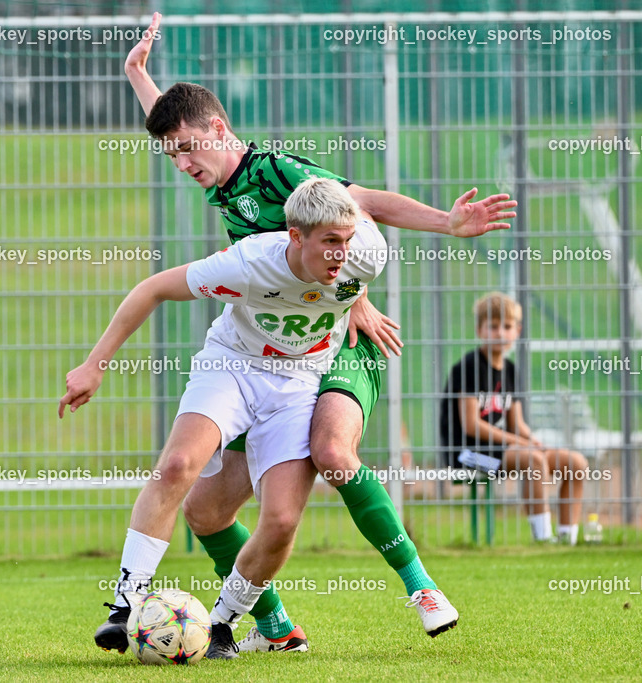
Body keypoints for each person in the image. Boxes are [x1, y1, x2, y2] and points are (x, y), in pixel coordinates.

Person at [100, 12, 516, 653]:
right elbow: (183, 126)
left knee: (333, 456)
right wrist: (138, 75)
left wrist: (425, 240)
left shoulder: (275, 172)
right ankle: (271, 627)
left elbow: (359, 206)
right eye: (171, 153)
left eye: (187, 150)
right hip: (263, 348)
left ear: (220, 133)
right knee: (205, 510)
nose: (180, 163)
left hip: (335, 345)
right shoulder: (223, 183)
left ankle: (421, 587)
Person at [62, 178, 390, 658]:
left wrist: (446, 224)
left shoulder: (366, 253)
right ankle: (125, 604)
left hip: (299, 382)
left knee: (281, 520)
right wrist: (95, 364)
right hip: (233, 366)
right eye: (330, 241)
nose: (342, 252)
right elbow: (153, 289)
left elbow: (371, 208)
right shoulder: (248, 263)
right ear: (296, 236)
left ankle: (221, 625)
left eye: (348, 239)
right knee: (177, 466)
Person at [441, 292, 588, 544]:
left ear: (517, 331)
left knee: (576, 463)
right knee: (532, 460)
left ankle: (567, 540)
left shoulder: (510, 371)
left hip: (501, 451)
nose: (500, 333)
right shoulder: (468, 367)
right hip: (467, 456)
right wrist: (520, 444)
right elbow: (471, 425)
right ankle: (543, 539)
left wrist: (533, 440)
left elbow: (517, 424)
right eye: (493, 326)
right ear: (479, 330)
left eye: (507, 326)